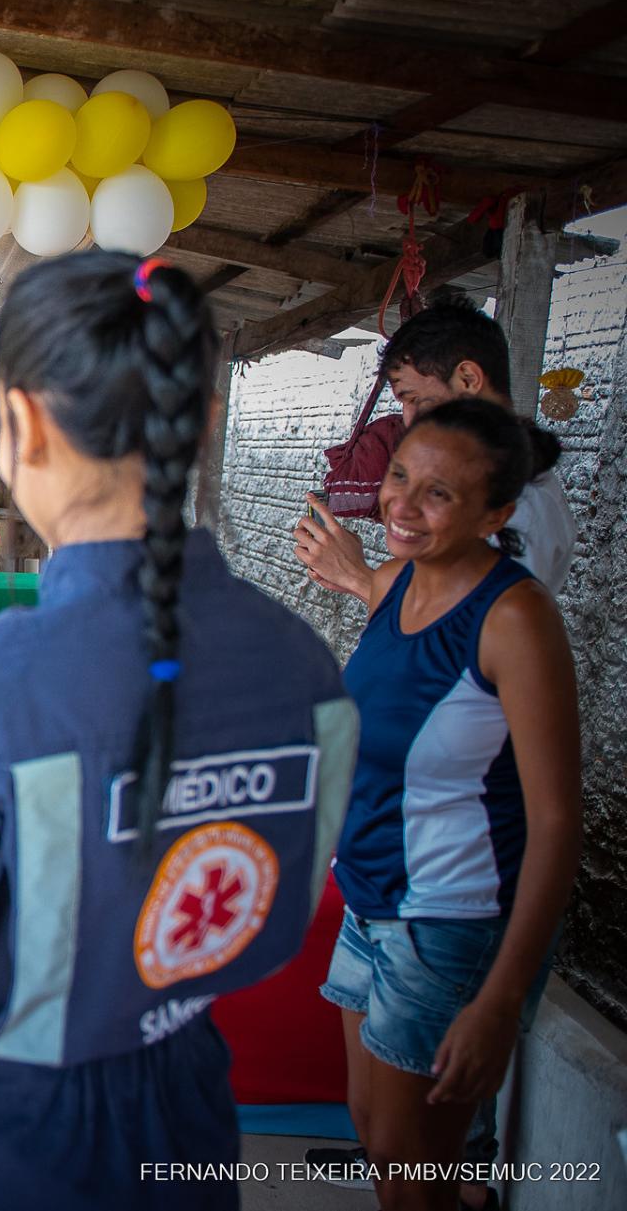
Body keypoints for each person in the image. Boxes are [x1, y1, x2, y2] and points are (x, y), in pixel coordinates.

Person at [0, 253, 358, 1211]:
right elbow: (272, 924)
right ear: (196, 420)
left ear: (23, 426)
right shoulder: (307, 670)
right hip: (185, 1119)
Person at [294, 298, 576, 1210]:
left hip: (446, 920)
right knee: (380, 1135)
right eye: (400, 477)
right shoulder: (403, 586)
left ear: (500, 511)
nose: (402, 507)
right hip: (372, 898)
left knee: (419, 1173)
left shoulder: (516, 617)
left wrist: (498, 999)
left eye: (439, 493)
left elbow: (556, 820)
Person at [297, 297, 576, 597]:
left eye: (415, 399)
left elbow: (469, 636)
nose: (409, 419)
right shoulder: (477, 486)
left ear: (468, 379)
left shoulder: (521, 505)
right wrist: (356, 581)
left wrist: (357, 576)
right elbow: (432, 608)